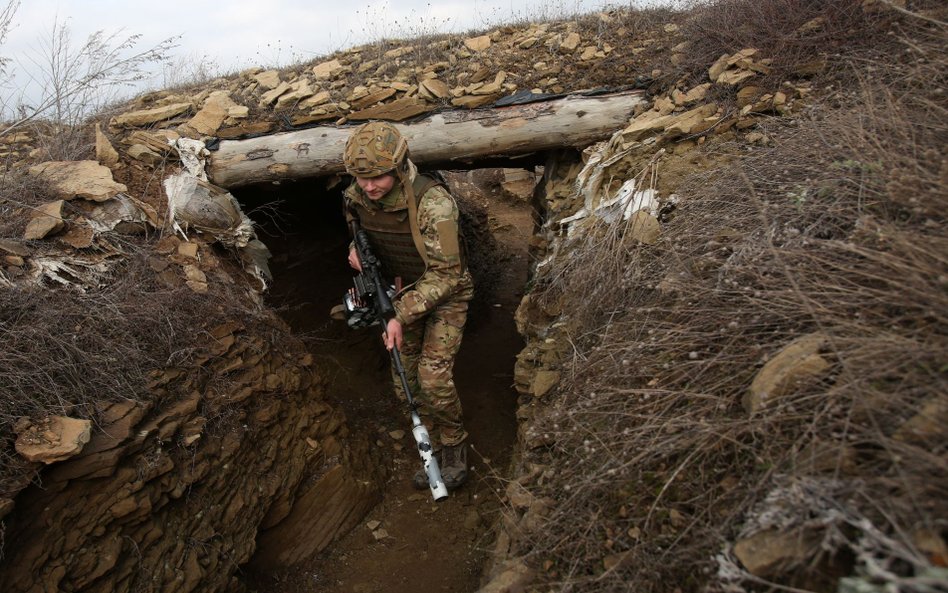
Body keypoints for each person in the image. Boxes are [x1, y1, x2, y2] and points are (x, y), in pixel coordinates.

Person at [342, 121, 474, 490]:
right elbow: (359, 235)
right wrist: (354, 252)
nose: (369, 187)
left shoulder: (434, 204)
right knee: (405, 381)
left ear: (399, 167)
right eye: (361, 178)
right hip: (400, 293)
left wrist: (397, 315)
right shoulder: (355, 196)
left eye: (378, 178)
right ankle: (427, 442)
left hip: (447, 294)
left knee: (433, 379)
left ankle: (453, 445)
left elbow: (447, 276)